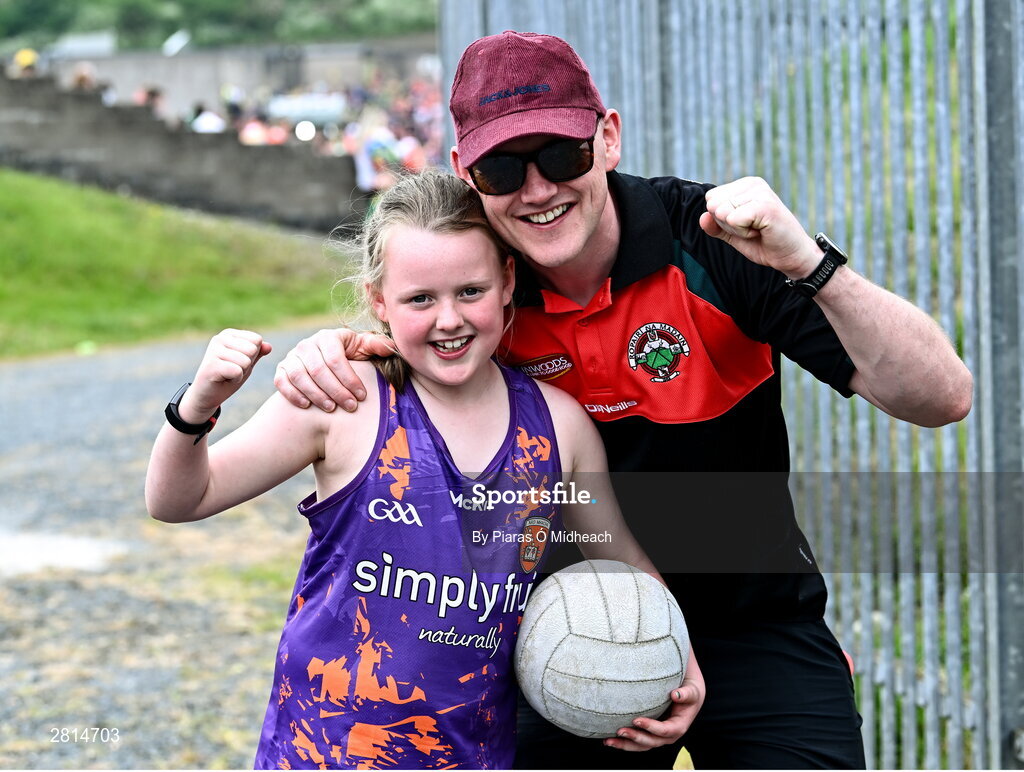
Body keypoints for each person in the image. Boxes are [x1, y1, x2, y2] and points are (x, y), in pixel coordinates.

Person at [273, 31, 972, 770]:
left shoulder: (717, 242)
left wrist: (809, 263)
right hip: (559, 630)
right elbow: (392, 334)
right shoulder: (480, 292)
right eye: (503, 166)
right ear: (465, 172)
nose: (537, 189)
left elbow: (941, 398)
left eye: (561, 155)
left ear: (608, 138)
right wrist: (326, 348)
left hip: (754, 621)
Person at [145, 170, 703, 770]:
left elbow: (616, 558)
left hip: (474, 756)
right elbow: (180, 499)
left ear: (508, 281)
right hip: (321, 752)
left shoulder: (559, 427)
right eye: (419, 299)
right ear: (379, 300)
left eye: (470, 291)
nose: (449, 320)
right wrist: (197, 406)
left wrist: (679, 656)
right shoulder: (345, 400)